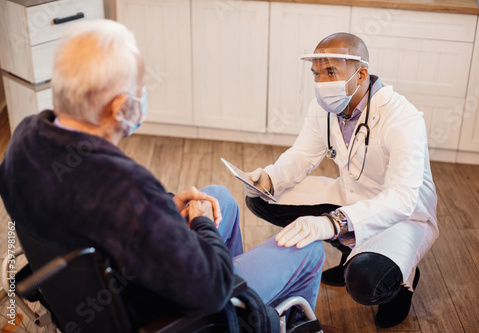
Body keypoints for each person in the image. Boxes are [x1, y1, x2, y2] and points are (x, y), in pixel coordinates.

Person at [0, 20, 328, 331]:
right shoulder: (123, 186)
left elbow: (105, 219)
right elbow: (210, 289)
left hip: (94, 287)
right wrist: (197, 223)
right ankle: (252, 316)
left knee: (219, 197)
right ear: (118, 108)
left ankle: (242, 297)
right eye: (139, 87)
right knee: (310, 249)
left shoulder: (26, 139)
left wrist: (166, 206)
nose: (143, 94)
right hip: (160, 310)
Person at [245, 32, 439, 328]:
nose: (322, 81)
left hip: (405, 217)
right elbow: (302, 155)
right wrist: (270, 177)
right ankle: (352, 249)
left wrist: (333, 222)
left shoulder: (403, 117)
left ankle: (401, 282)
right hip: (352, 197)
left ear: (361, 74)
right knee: (262, 198)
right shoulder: (325, 108)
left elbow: (401, 199)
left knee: (364, 281)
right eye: (317, 73)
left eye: (330, 72)